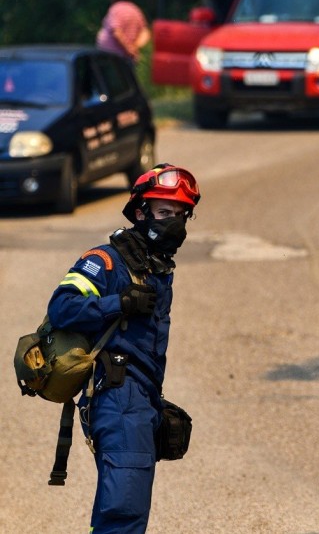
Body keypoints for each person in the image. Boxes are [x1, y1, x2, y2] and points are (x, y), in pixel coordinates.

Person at [46, 164, 200, 533]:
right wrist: (119, 304)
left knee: (122, 512)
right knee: (123, 517)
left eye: (181, 215)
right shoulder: (107, 260)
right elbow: (61, 307)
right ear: (141, 212)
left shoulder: (158, 267)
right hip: (118, 400)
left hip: (140, 398)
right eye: (164, 213)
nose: (173, 223)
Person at [96, 0, 151, 65]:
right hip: (127, 59)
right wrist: (135, 46)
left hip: (113, 59)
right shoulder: (135, 10)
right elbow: (145, 33)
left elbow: (116, 32)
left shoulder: (115, 10)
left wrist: (129, 49)